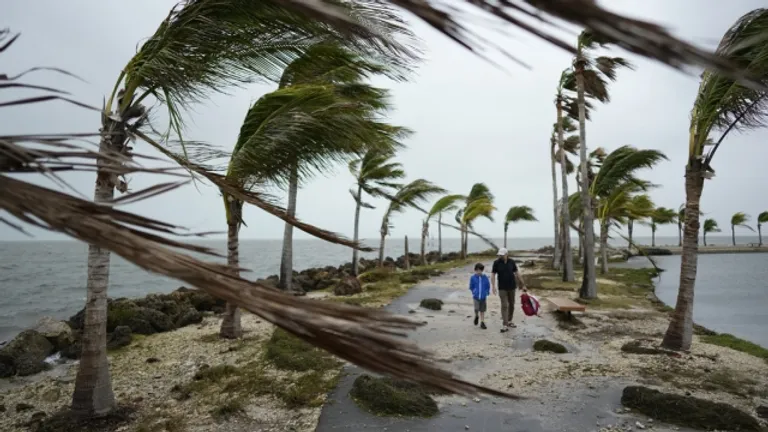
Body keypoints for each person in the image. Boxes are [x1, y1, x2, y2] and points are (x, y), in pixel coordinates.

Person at [491, 247, 527, 332]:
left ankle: (510, 321)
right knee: (504, 305)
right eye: (500, 255)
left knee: (512, 304)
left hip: (512, 287)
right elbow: (493, 274)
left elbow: (517, 273)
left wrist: (523, 284)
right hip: (502, 287)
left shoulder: (512, 262)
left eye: (502, 255)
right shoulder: (496, 263)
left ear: (507, 254)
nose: (500, 256)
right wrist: (493, 286)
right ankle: (505, 324)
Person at [469, 263, 491, 330]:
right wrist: (474, 291)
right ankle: (476, 316)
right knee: (476, 308)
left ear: (482, 270)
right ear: (475, 270)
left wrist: (486, 292)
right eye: (477, 270)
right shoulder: (473, 278)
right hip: (476, 297)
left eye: (480, 270)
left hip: (483, 297)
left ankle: (482, 322)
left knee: (482, 310)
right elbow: (471, 286)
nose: (479, 272)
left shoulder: (485, 277)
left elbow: (488, 286)